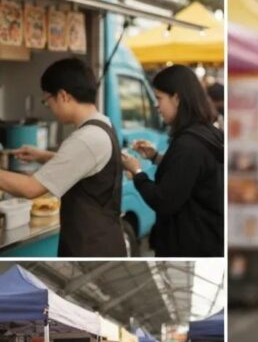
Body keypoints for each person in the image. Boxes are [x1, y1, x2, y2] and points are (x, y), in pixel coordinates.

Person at [0, 58, 126, 257]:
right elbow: (85, 164)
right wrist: (42, 156)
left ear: (63, 96)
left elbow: (30, 188)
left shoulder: (86, 138)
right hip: (101, 241)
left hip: (90, 249)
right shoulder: (102, 125)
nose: (48, 106)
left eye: (47, 100)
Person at [121, 65, 224, 257]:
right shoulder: (209, 133)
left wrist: (137, 172)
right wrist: (156, 157)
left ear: (177, 98)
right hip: (208, 239)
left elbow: (164, 200)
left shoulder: (188, 145)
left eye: (159, 98)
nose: (156, 105)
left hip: (189, 245)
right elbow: (191, 175)